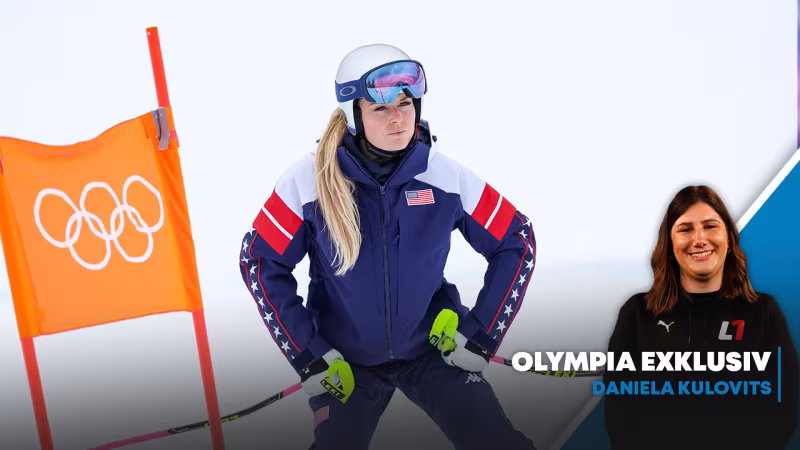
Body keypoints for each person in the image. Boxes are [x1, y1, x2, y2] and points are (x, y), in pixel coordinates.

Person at [238, 44, 537, 449]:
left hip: (434, 350)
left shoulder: (442, 176)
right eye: (380, 108)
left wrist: (481, 333)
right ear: (353, 114)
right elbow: (259, 260)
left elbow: (516, 240)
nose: (398, 118)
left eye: (405, 103)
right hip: (345, 365)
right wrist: (308, 354)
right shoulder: (309, 181)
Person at [604, 185, 799, 450]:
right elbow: (620, 410)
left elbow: (784, 403)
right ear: (670, 245)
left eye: (710, 226)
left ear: (729, 239)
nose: (699, 239)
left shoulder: (763, 310)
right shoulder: (637, 313)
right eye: (685, 229)